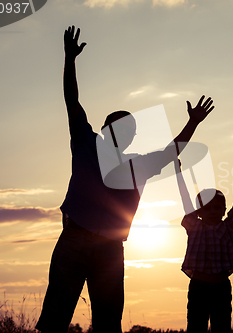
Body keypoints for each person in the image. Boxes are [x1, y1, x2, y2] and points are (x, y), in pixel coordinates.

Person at [35, 26, 215, 333]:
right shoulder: (85, 141)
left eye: (130, 128)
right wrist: (70, 59)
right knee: (55, 318)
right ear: (105, 129)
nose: (125, 131)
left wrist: (192, 122)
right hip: (75, 239)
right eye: (118, 125)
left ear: (132, 138)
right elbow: (71, 99)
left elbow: (172, 151)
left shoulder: (138, 165)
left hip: (110, 248)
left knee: (108, 323)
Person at [175, 151, 233, 332]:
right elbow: (185, 197)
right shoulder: (194, 225)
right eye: (207, 208)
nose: (213, 211)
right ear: (199, 211)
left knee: (221, 328)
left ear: (224, 210)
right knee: (195, 327)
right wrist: (178, 173)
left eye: (217, 207)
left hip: (221, 287)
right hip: (198, 286)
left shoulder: (228, 227)